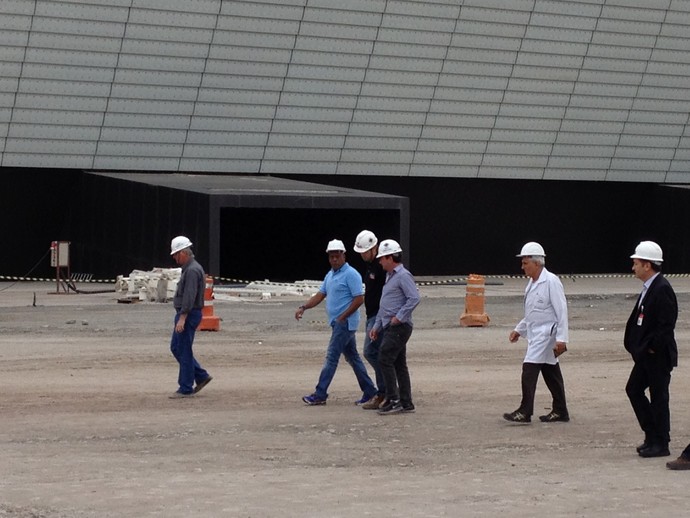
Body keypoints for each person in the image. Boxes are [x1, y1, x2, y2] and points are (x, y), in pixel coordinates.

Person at [296, 239, 377, 406]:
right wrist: (304, 306)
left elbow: (359, 298)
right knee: (353, 358)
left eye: (336, 256)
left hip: (345, 324)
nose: (334, 259)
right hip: (338, 323)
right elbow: (320, 295)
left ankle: (320, 393)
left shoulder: (351, 274)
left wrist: (343, 316)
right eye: (331, 257)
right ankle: (370, 391)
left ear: (343, 255)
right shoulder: (330, 275)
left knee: (331, 357)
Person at [504, 242, 570, 424]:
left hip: (547, 335)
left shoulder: (551, 282)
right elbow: (533, 312)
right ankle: (561, 410)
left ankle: (525, 410)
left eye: (525, 263)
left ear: (537, 262)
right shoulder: (531, 284)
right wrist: (519, 329)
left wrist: (562, 339)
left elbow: (561, 311)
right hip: (536, 333)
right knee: (550, 371)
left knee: (529, 368)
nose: (522, 267)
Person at [624, 241, 678, 459]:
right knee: (633, 390)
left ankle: (661, 442)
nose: (633, 267)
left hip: (657, 356)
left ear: (648, 265)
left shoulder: (662, 289)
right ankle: (651, 434)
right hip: (645, 354)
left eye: (636, 263)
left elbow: (667, 324)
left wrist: (653, 348)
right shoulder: (649, 288)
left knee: (659, 397)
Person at [369, 239, 421, 415]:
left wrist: (399, 317)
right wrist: (377, 326)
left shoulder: (403, 276)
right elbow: (385, 306)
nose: (380, 261)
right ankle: (406, 402)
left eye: (382, 258)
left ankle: (394, 399)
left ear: (391, 258)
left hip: (399, 327)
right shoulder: (390, 276)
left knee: (384, 357)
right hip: (391, 326)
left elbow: (414, 298)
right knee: (399, 364)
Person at [168, 235, 213, 398]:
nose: (174, 257)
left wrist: (182, 317)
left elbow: (189, 295)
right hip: (187, 313)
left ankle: (185, 387)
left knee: (183, 349)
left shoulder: (192, 270)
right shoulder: (190, 268)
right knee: (176, 347)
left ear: (183, 252)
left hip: (188, 314)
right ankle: (201, 376)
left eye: (175, 254)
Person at [353, 230, 387, 410]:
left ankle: (385, 391)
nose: (362, 255)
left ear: (373, 248)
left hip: (378, 316)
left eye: (364, 251)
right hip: (372, 315)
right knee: (377, 353)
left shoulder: (380, 266)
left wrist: (380, 320)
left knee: (371, 352)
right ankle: (385, 391)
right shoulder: (371, 266)